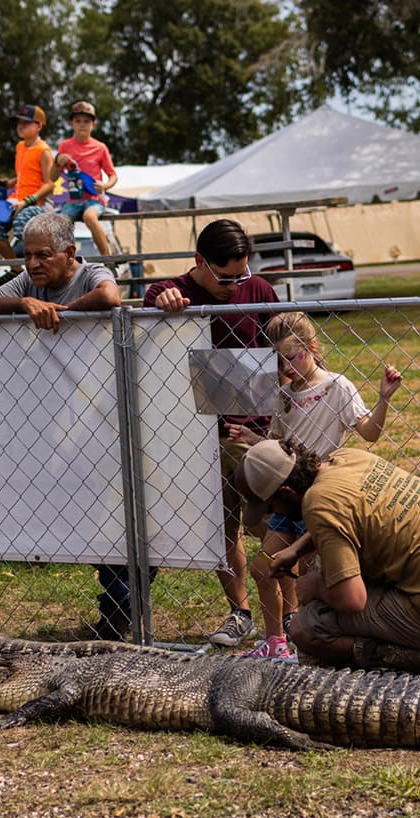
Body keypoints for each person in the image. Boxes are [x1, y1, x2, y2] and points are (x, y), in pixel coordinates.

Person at [240, 441, 420, 678]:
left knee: (305, 627)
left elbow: (352, 600)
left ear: (287, 492)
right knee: (330, 574)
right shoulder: (347, 459)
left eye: (271, 507)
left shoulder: (318, 503)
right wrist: (297, 550)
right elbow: (348, 515)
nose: (273, 514)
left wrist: (314, 586)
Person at [138, 220, 282, 647]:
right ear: (199, 261)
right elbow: (146, 327)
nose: (235, 286)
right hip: (198, 437)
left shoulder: (259, 290)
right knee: (221, 528)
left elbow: (284, 344)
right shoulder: (171, 291)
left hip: (258, 433)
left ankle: (289, 616)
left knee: (278, 526)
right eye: (224, 278)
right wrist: (160, 302)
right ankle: (240, 612)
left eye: (242, 274)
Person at [231, 311, 402, 661]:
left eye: (291, 356)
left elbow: (369, 432)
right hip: (287, 498)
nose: (286, 367)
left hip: (320, 497)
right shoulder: (284, 395)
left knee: (308, 577)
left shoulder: (336, 387)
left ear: (311, 347)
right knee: (264, 568)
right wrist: (253, 439)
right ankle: (276, 642)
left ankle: (309, 645)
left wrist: (384, 399)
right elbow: (280, 446)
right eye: (278, 361)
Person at [0, 212, 120, 330]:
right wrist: (24, 303)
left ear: (69, 254)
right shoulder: (28, 279)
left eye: (43, 255)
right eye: (27, 255)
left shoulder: (91, 273)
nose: (32, 264)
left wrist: (62, 312)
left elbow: (109, 295)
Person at [0, 105, 57, 259]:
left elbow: (50, 184)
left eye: (26, 123)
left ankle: (43, 263)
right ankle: (15, 268)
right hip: (17, 201)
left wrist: (27, 202)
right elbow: (25, 175)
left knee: (22, 222)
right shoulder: (20, 146)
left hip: (39, 204)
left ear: (38, 126)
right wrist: (8, 183)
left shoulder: (43, 150)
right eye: (19, 122)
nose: (21, 126)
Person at [56, 101, 117, 257]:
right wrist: (57, 162)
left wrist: (104, 186)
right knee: (60, 224)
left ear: (93, 124)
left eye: (86, 121)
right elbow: (53, 177)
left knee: (89, 217)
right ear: (71, 123)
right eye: (78, 121)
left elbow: (113, 175)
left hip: (94, 199)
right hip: (73, 200)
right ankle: (66, 260)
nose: (82, 124)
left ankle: (107, 258)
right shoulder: (64, 146)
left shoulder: (100, 147)